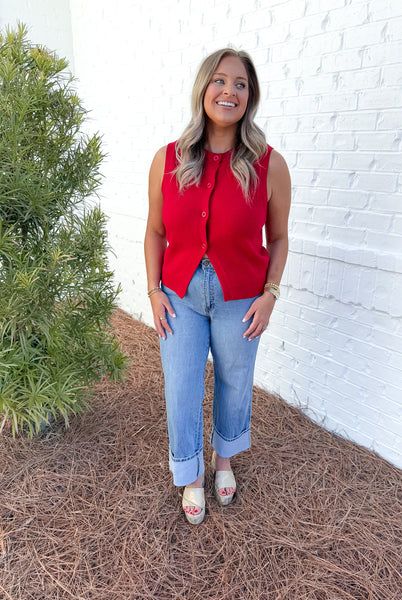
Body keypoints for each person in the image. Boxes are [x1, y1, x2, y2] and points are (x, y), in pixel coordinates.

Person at [144, 48, 291, 524]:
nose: (229, 91)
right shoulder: (168, 159)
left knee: (234, 382)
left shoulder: (270, 165)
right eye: (220, 81)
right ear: (203, 88)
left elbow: (281, 237)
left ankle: (222, 461)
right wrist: (152, 290)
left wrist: (271, 295)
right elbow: (154, 231)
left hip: (242, 297)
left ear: (251, 97)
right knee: (182, 386)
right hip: (180, 294)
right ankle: (189, 475)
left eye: (241, 84)